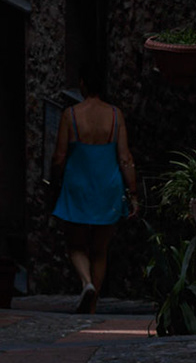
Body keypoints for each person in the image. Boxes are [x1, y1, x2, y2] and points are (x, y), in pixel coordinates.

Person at [50, 63, 139, 313]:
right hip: (108, 187)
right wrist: (133, 194)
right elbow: (125, 158)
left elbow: (59, 156)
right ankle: (92, 305)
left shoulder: (70, 115)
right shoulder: (115, 115)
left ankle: (86, 282)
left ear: (82, 84)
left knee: (76, 245)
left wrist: (54, 181)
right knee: (100, 250)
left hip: (78, 185)